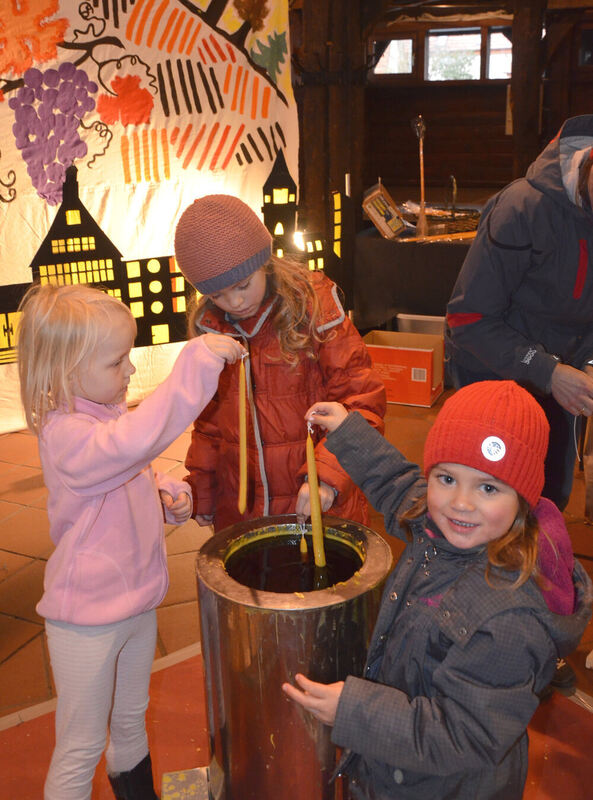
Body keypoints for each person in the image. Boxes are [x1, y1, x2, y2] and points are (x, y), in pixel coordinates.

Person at [282, 381, 592, 800]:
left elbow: (468, 735)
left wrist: (355, 712)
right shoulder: (441, 523)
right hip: (395, 768)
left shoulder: (509, 619)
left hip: (445, 787)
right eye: (446, 477)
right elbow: (396, 482)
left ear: (523, 497)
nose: (460, 503)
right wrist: (348, 433)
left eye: (488, 487)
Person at [17, 283, 244, 800]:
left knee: (129, 721)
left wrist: (164, 490)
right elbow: (129, 446)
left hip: (136, 606)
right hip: (87, 623)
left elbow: (126, 468)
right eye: (117, 361)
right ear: (67, 370)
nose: (130, 371)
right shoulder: (66, 433)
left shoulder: (105, 417)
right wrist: (196, 363)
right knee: (79, 747)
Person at [173, 194, 386, 532]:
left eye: (243, 285)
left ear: (265, 263)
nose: (234, 301)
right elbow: (209, 424)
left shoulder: (314, 310)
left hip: (320, 503)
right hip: (242, 511)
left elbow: (362, 402)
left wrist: (328, 478)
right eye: (217, 295)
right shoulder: (210, 333)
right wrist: (203, 488)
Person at [446, 114, 593, 514]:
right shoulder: (522, 208)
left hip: (565, 379)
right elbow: (468, 321)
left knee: (548, 501)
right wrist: (547, 370)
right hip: (498, 375)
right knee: (495, 504)